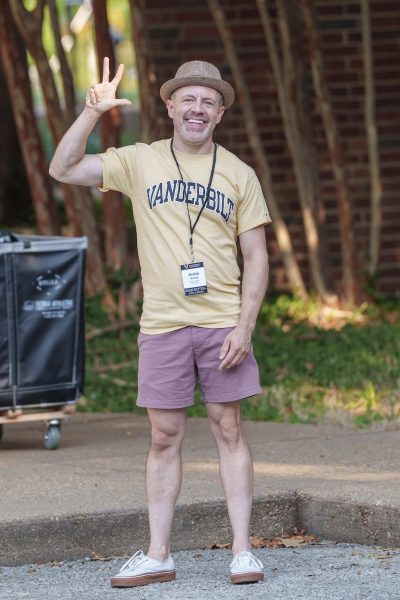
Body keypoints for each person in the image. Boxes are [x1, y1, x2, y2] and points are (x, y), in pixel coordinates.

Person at [50, 57, 271, 588]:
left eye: (209, 102)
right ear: (170, 107)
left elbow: (257, 257)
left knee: (228, 428)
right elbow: (63, 169)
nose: (198, 109)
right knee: (164, 436)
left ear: (219, 114)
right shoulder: (140, 160)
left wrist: (245, 326)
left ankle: (243, 551)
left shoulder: (239, 173)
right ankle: (158, 555)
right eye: (188, 99)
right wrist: (92, 113)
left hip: (221, 323)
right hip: (163, 325)